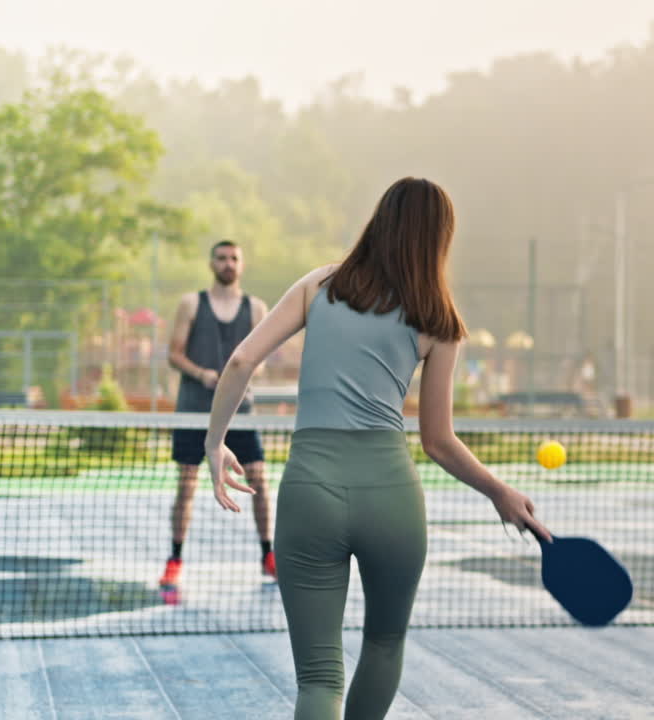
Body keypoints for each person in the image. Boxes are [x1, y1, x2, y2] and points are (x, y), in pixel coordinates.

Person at [202, 177, 552, 719]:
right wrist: (498, 490)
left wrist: (215, 441)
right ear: (439, 239)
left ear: (380, 221)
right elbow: (437, 440)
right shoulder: (441, 322)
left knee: (318, 678)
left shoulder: (318, 287)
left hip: (310, 491)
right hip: (391, 497)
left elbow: (242, 362)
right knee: (384, 645)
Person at [160, 239, 273, 588]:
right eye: (221, 258)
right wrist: (204, 375)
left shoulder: (256, 308)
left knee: (259, 481)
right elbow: (174, 354)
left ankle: (269, 555)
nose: (227, 263)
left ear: (242, 264)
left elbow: (262, 363)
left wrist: (235, 380)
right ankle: (175, 559)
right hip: (194, 412)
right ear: (211, 263)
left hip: (241, 412)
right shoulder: (191, 303)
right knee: (187, 485)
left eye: (234, 258)